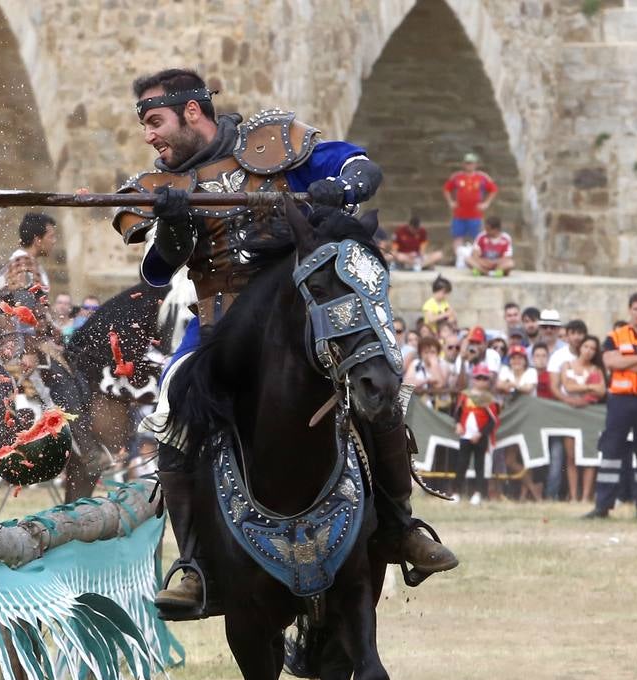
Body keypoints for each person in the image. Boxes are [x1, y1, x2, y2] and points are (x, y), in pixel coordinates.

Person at [122, 68, 455, 617]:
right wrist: (177, 230)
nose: (149, 136)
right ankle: (196, 563)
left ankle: (399, 524)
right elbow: (158, 271)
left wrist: (338, 189)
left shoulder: (273, 142)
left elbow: (359, 166)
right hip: (220, 328)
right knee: (170, 407)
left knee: (376, 381)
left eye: (155, 121)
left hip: (303, 313)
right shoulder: (163, 188)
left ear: (192, 112)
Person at [585, 292, 637, 520]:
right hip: (620, 400)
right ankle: (602, 506)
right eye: (635, 309)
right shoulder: (615, 335)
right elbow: (611, 362)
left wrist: (626, 362)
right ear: (629, 309)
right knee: (611, 450)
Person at [558, 335, 606, 504]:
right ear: (580, 347)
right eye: (586, 346)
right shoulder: (567, 365)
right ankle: (573, 496)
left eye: (593, 348)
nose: (589, 351)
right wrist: (590, 386)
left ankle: (585, 497)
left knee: (589, 456)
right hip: (570, 413)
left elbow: (601, 391)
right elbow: (568, 386)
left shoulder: (597, 369)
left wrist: (585, 388)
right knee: (570, 456)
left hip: (589, 415)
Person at [451, 365, 499, 505]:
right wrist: (458, 424)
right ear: (473, 379)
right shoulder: (464, 395)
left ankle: (478, 493)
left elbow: (492, 421)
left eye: (484, 378)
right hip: (465, 435)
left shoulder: (490, 399)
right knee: (461, 465)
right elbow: (457, 412)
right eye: (479, 377)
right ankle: (456, 493)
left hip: (480, 437)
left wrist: (480, 434)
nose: (481, 381)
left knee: (479, 466)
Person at [443, 152, 498, 251]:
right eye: (467, 163)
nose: (469, 165)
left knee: (476, 238)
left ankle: (474, 258)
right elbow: (446, 188)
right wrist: (450, 202)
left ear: (476, 164)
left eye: (472, 163)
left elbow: (493, 189)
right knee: (457, 236)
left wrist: (486, 203)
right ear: (463, 164)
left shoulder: (482, 177)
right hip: (459, 213)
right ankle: (459, 259)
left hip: (475, 214)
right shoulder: (457, 176)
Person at [0, 212, 57, 292]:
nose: (54, 241)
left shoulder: (24, 262)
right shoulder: (23, 264)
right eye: (51, 236)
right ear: (38, 241)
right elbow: (22, 302)